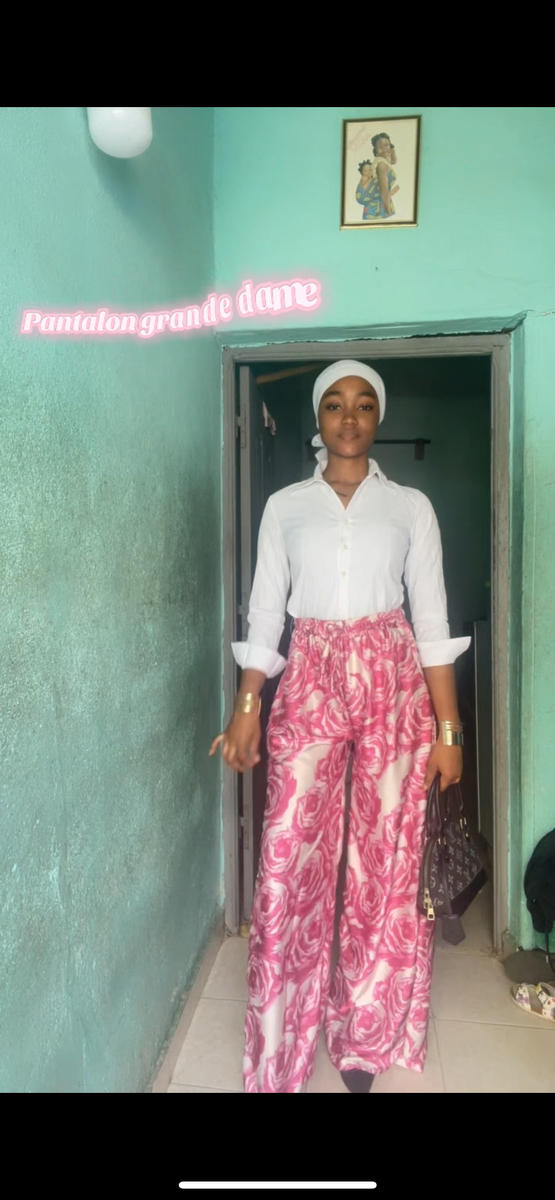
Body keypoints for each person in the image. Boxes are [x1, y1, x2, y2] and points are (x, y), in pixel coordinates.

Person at [210, 361, 470, 1094]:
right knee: (290, 852)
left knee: (385, 859)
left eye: (362, 404)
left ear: (377, 417)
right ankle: (279, 1046)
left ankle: (364, 1035)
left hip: (392, 677)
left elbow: (431, 620)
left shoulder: (410, 507)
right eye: (333, 404)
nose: (348, 417)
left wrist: (449, 732)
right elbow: (267, 609)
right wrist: (246, 708)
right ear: (319, 419)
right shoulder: (285, 506)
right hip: (311, 675)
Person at [362, 132, 399, 220]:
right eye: (380, 147)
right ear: (376, 150)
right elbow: (384, 191)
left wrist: (393, 152)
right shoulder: (381, 165)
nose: (384, 149)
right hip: (378, 207)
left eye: (386, 145)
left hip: (384, 201)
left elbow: (393, 162)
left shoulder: (384, 159)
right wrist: (388, 212)